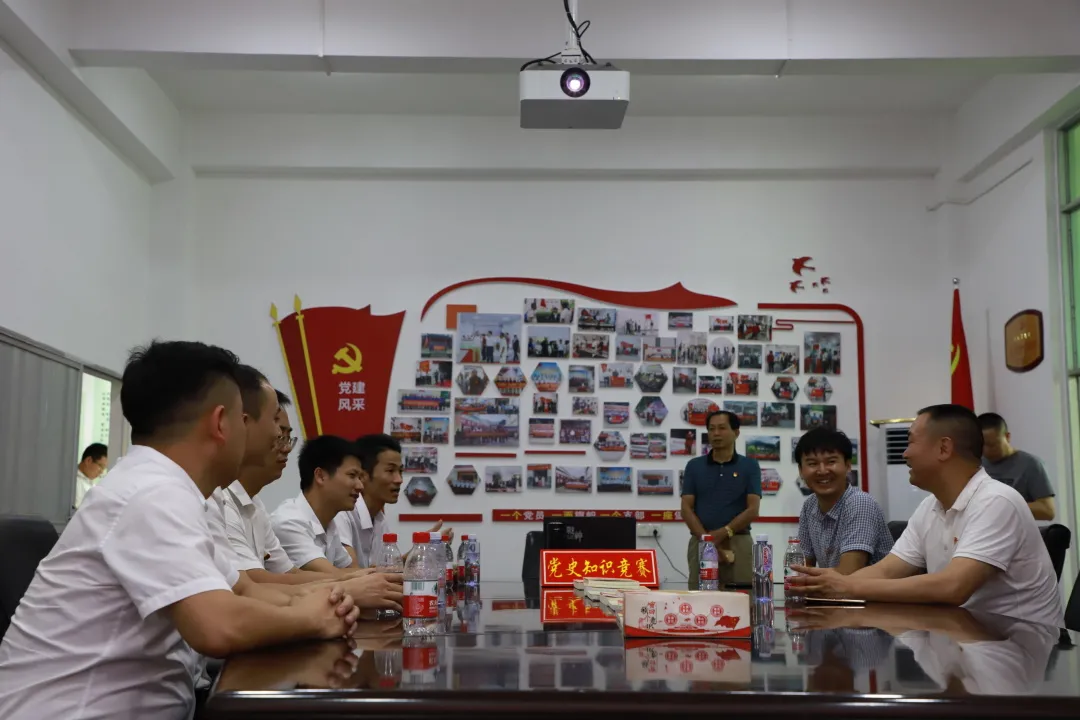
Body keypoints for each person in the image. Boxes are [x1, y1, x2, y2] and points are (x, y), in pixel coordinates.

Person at [0, 341, 359, 720]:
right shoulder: (151, 494)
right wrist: (312, 618)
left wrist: (327, 600)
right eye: (243, 420)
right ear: (220, 423)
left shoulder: (172, 491)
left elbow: (244, 590)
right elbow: (218, 626)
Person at [791, 404, 1063, 627]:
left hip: (1020, 647)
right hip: (962, 638)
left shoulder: (996, 501)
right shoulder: (929, 507)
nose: (905, 453)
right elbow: (887, 570)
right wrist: (832, 586)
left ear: (944, 448)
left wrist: (847, 587)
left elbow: (953, 587)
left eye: (910, 441)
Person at [334, 433, 449, 567]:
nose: (399, 480)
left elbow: (385, 569)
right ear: (363, 475)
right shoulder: (343, 514)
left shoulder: (379, 520)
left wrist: (421, 548)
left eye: (400, 471)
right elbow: (353, 572)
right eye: (390, 471)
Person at [681, 410, 761, 588]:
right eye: (711, 429)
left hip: (738, 541)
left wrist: (724, 532)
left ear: (736, 432)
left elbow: (753, 509)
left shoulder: (750, 466)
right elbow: (686, 508)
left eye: (722, 428)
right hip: (700, 540)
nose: (716, 433)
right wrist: (707, 540)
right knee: (699, 597)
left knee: (741, 598)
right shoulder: (694, 466)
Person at [796, 428, 893, 574]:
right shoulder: (809, 505)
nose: (822, 471)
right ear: (801, 471)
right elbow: (801, 567)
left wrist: (806, 578)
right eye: (812, 463)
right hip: (833, 588)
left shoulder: (860, 503)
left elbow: (848, 574)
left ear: (848, 466)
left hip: (868, 589)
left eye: (831, 462)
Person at [271, 435, 366, 572]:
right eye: (352, 475)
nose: (360, 486)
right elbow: (334, 576)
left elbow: (349, 570)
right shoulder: (289, 522)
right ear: (320, 476)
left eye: (360, 477)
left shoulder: (329, 523)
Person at [976, 412, 1056, 521]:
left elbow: (1047, 511)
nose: (986, 451)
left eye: (992, 445)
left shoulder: (1030, 464)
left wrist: (1004, 507)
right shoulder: (975, 464)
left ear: (1007, 437)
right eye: (981, 445)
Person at [73, 442, 108, 509]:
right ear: (88, 460)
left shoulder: (90, 483)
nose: (101, 472)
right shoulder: (73, 483)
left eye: (104, 468)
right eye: (101, 466)